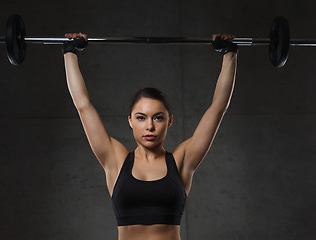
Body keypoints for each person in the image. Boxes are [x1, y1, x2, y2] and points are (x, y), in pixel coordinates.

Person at [63, 33, 237, 240]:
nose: (150, 126)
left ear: (169, 121)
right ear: (130, 121)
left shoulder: (181, 161)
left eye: (158, 118)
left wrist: (229, 54)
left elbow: (217, 108)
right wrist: (70, 52)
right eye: (141, 118)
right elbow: (83, 106)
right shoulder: (116, 160)